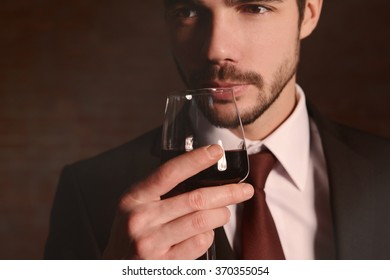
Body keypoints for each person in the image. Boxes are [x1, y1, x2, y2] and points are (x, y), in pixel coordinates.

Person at [44, 0, 390, 260]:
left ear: (309, 12)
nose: (215, 50)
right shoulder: (89, 193)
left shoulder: (382, 172)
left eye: (254, 7)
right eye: (188, 11)